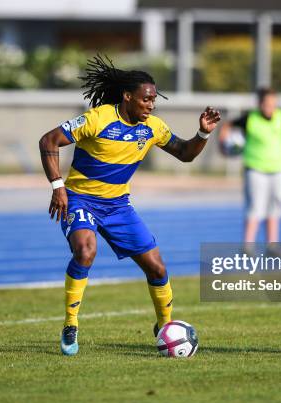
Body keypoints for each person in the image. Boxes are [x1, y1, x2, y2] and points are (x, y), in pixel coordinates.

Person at [39, 55, 221, 356]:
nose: (151, 105)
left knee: (157, 266)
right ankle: (71, 324)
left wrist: (202, 133)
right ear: (128, 97)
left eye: (154, 100)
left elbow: (185, 154)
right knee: (86, 251)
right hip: (81, 200)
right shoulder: (97, 118)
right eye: (146, 99)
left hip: (118, 207)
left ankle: (165, 326)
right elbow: (48, 141)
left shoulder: (153, 127)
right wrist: (58, 187)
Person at [218, 88, 281, 253]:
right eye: (266, 103)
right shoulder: (250, 118)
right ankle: (248, 245)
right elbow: (227, 125)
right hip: (255, 169)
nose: (270, 106)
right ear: (260, 103)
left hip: (278, 169)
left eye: (273, 103)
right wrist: (223, 144)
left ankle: (272, 244)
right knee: (255, 207)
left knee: (275, 207)